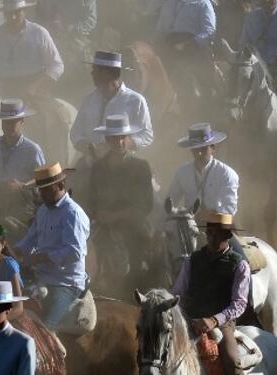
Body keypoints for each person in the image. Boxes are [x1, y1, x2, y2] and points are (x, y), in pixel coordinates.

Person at [171, 211, 253, 375]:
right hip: (189, 318)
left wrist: (214, 320)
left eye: (217, 234)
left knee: (231, 358)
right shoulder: (192, 260)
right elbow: (178, 290)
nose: (212, 237)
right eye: (209, 233)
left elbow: (239, 304)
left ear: (227, 236)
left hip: (221, 322)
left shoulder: (239, 264)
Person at [14, 163, 91, 326]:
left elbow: (75, 252)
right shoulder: (43, 211)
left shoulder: (72, 213)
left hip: (65, 283)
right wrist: (16, 250)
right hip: (41, 277)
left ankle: (48, 348)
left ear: (61, 185)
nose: (42, 194)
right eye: (41, 190)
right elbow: (30, 238)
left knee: (43, 327)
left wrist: (42, 257)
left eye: (47, 190)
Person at [85, 114, 156, 261]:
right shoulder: (98, 167)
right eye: (115, 138)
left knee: (147, 260)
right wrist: (98, 214)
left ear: (129, 138)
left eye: (123, 137)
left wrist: (116, 216)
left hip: (132, 227)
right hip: (102, 227)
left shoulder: (141, 167)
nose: (120, 142)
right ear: (107, 139)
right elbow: (91, 199)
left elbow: (146, 205)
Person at [69, 51, 154, 156]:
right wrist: (87, 147)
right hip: (91, 164)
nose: (92, 74)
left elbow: (147, 135)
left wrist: (125, 143)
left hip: (123, 165)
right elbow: (75, 133)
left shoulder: (136, 101)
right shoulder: (88, 100)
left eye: (95, 70)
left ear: (106, 73)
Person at [0, 99, 46, 223]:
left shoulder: (33, 150)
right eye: (5, 122)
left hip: (22, 206)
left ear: (22, 122)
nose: (9, 126)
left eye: (13, 122)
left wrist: (21, 186)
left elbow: (43, 182)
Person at [0, 0, 64, 99]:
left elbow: (57, 65)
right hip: (5, 91)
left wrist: (36, 85)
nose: (13, 17)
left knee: (45, 113)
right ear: (4, 13)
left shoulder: (39, 32)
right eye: (9, 13)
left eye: (17, 12)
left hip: (34, 92)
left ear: (24, 11)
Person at [167, 123, 240, 216]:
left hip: (218, 227)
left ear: (213, 148)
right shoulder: (182, 173)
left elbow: (229, 208)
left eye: (203, 148)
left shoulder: (227, 174)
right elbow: (171, 201)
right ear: (191, 150)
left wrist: (205, 215)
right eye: (195, 149)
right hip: (189, 225)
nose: (199, 153)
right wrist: (159, 228)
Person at [153, 0, 218, 101]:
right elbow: (161, 28)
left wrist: (189, 44)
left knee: (202, 79)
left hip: (193, 47)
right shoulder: (170, 3)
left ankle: (205, 101)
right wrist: (154, 42)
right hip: (169, 45)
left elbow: (209, 31)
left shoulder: (203, 3)